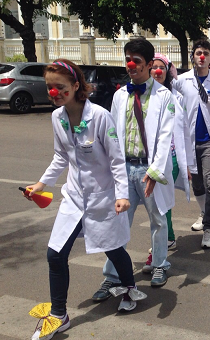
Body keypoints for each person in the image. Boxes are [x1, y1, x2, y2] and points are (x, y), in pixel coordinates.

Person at [25, 59, 146, 340]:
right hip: (74, 198)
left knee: (114, 249)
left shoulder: (100, 117)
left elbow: (117, 160)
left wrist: (122, 196)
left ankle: (128, 287)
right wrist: (41, 184)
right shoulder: (57, 118)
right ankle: (59, 314)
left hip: (104, 197)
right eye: (49, 87)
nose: (53, 93)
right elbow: (60, 157)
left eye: (60, 87)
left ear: (76, 86)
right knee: (55, 254)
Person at [92, 38, 176, 302]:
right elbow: (112, 134)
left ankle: (160, 264)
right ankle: (113, 275)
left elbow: (165, 136)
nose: (131, 65)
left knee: (158, 219)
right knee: (117, 223)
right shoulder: (120, 95)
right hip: (123, 169)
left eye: (137, 61)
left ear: (150, 65)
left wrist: (154, 172)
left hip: (148, 169)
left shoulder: (164, 96)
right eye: (127, 59)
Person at [172, 39, 210, 248]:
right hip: (189, 142)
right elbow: (174, 109)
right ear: (193, 56)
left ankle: (209, 228)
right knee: (197, 184)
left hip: (209, 143)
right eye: (198, 53)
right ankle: (204, 212)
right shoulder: (182, 81)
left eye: (205, 53)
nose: (202, 56)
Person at [141, 53, 190, 272]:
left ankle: (158, 251)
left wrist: (188, 163)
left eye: (162, 67)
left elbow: (184, 130)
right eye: (154, 67)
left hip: (170, 157)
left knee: (161, 204)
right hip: (146, 158)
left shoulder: (176, 96)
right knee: (156, 206)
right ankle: (168, 238)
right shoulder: (141, 95)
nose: (157, 71)